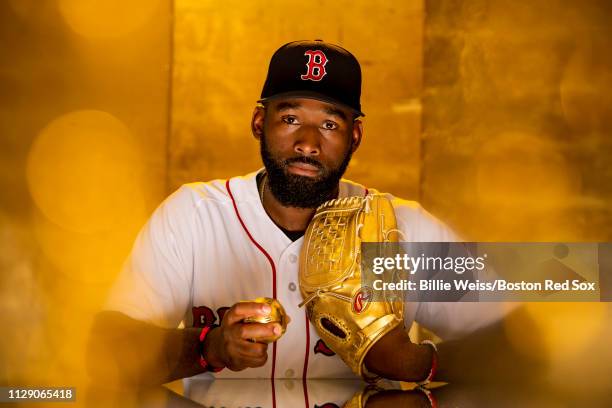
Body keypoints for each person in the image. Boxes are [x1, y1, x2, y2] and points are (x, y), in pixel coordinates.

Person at [88, 40, 507, 386]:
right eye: (290, 117)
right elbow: (106, 349)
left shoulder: (402, 227)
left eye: (329, 124)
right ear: (258, 121)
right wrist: (208, 347)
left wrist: (422, 364)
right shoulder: (193, 216)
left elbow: (523, 338)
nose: (307, 143)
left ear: (355, 135)